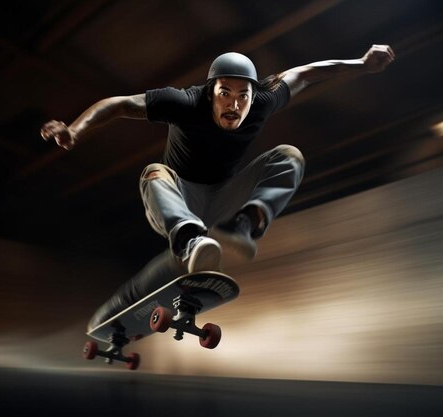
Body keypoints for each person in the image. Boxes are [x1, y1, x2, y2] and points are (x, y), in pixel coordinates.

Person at [40, 45, 395, 330]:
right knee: (154, 171)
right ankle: (190, 240)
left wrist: (361, 64)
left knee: (288, 156)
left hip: (224, 201)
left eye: (243, 96)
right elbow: (119, 104)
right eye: (225, 94)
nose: (234, 105)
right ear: (211, 91)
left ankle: (241, 227)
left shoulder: (263, 102)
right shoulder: (183, 101)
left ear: (254, 95)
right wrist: (75, 129)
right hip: (178, 198)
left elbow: (307, 73)